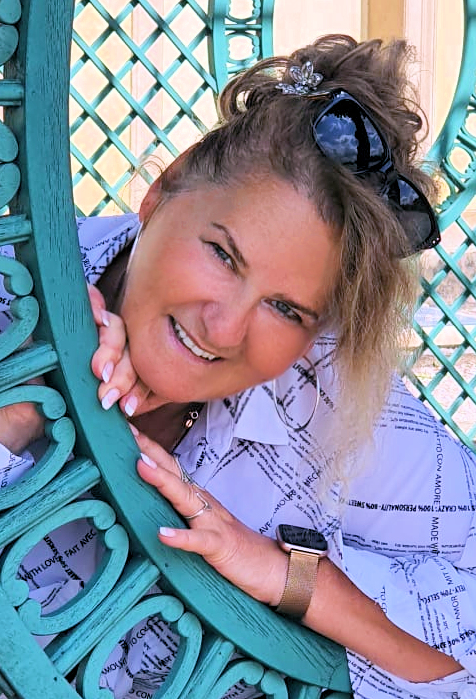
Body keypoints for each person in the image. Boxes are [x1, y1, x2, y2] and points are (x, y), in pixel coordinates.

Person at [1, 34, 475, 699]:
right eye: (223, 255)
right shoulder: (13, 294)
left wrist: (292, 576)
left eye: (286, 308)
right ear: (162, 191)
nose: (224, 329)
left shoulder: (322, 395)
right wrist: (23, 408)